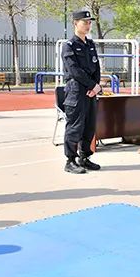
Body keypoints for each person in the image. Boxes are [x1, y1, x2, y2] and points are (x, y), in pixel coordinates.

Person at [60, 10, 102, 174]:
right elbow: (74, 71)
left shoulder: (90, 44)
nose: (88, 25)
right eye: (85, 22)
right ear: (75, 23)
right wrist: (92, 85)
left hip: (90, 91)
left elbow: (96, 67)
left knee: (89, 126)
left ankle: (84, 157)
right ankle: (70, 160)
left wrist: (96, 86)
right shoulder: (69, 46)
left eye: (89, 22)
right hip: (76, 91)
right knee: (75, 127)